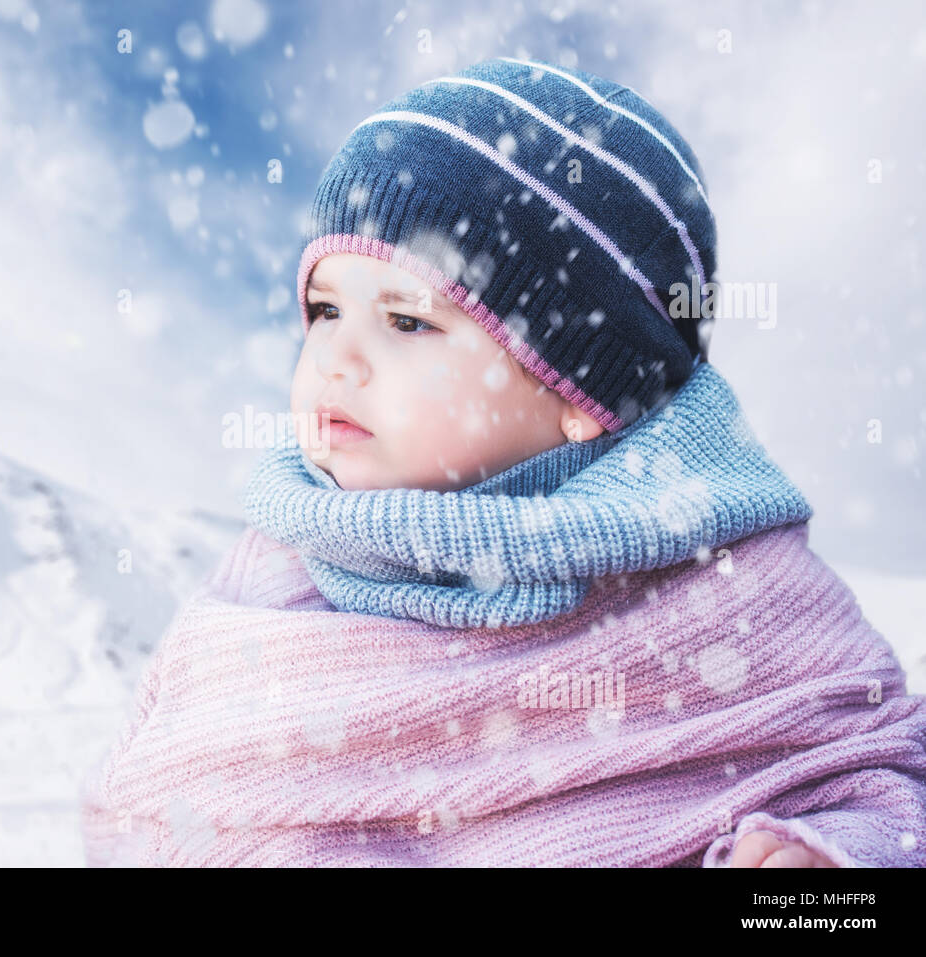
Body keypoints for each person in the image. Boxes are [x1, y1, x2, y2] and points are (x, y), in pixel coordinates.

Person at [80, 58, 926, 867]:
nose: (334, 359)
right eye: (326, 308)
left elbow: (889, 777)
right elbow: (149, 801)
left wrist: (824, 858)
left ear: (582, 391)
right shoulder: (274, 577)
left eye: (408, 322)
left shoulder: (735, 597)